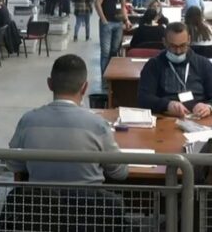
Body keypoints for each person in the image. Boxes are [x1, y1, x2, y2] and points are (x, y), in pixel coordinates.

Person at [7, 54, 128, 184]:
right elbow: (120, 173)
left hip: (39, 196)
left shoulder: (28, 121)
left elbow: (13, 164)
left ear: (49, 84)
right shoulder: (98, 125)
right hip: (88, 197)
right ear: (84, 87)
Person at [137, 22, 212, 115]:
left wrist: (210, 106)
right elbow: (143, 98)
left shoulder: (203, 64)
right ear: (164, 42)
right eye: (173, 46)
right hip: (167, 117)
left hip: (199, 116)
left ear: (189, 40)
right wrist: (166, 105)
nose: (178, 51)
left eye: (183, 45)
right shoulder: (153, 65)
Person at [95, 0, 134, 76]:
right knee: (105, 52)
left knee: (115, 51)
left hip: (118, 24)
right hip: (107, 23)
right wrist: (104, 20)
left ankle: (112, 76)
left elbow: (123, 7)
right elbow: (97, 3)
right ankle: (105, 79)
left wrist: (126, 20)